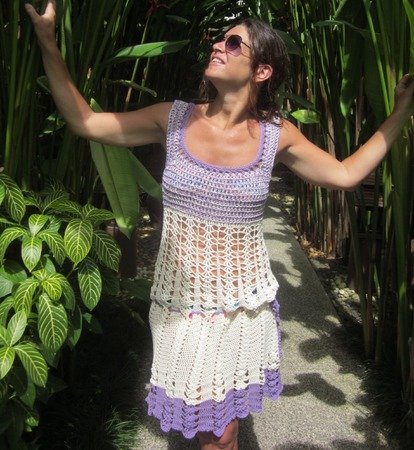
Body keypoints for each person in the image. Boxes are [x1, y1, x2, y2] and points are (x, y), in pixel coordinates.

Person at [26, 1, 414, 449]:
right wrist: (47, 41)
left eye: (233, 43)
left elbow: (345, 174)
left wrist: (400, 111)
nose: (217, 45)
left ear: (262, 71)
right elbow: (86, 121)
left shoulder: (277, 134)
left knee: (220, 434)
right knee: (206, 427)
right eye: (218, 38)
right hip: (182, 305)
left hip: (240, 306)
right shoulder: (173, 118)